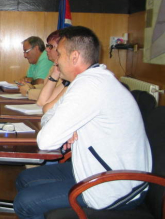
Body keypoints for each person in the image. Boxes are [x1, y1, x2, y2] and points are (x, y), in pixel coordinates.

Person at [13, 26, 152, 219]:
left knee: (25, 203)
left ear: (75, 57)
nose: (55, 60)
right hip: (92, 169)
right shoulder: (86, 81)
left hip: (115, 185)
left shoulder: (90, 86)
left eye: (59, 54)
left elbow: (45, 141)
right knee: (25, 178)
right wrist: (68, 128)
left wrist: (64, 127)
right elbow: (47, 115)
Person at [19, 31, 67, 105]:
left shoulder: (65, 68)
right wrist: (32, 87)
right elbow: (46, 85)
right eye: (47, 46)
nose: (47, 49)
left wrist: (28, 91)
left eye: (50, 47)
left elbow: (52, 94)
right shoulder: (55, 65)